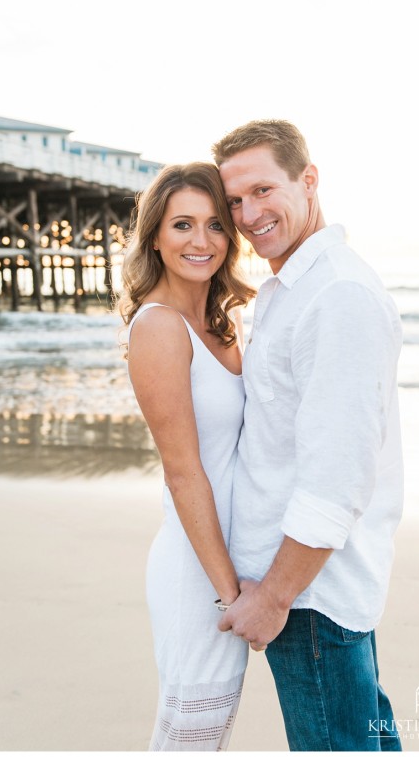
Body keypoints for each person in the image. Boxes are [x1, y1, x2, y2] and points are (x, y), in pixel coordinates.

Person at [212, 120, 404, 751]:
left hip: (307, 595)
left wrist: (275, 596)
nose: (248, 214)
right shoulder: (294, 287)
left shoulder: (336, 295)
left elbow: (338, 474)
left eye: (264, 190)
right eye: (235, 201)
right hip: (307, 586)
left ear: (309, 180)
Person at [118, 162, 256, 751]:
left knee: (207, 736)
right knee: (189, 741)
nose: (201, 241)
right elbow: (182, 472)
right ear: (155, 236)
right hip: (197, 569)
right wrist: (232, 592)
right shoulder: (159, 327)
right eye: (182, 225)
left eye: (215, 225)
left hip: (227, 557)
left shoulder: (222, 326)